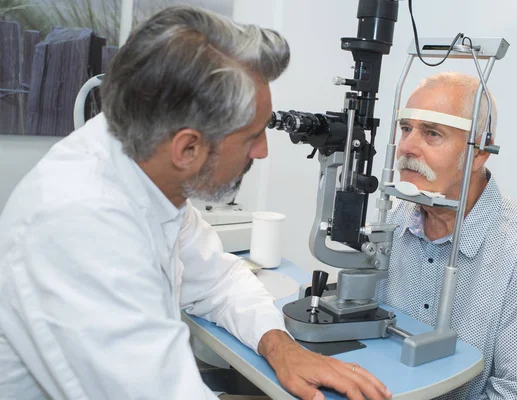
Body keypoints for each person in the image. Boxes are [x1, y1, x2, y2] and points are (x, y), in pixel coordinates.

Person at [0, 6, 392, 400]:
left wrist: (281, 347)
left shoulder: (146, 164)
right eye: (252, 136)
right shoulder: (78, 227)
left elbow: (219, 281)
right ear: (187, 147)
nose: (263, 151)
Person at [379, 72, 517, 399]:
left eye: (432, 133)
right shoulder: (394, 219)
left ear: (480, 152)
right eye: (406, 129)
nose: (408, 147)